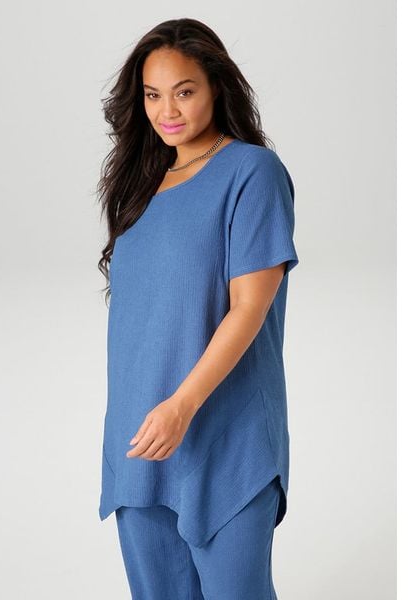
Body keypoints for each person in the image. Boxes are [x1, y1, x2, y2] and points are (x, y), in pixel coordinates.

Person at [96, 17, 299, 600]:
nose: (167, 110)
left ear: (215, 86)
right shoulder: (139, 186)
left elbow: (249, 308)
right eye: (152, 94)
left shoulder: (252, 173)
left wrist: (181, 407)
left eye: (183, 91)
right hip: (142, 440)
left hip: (225, 434)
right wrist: (143, 422)